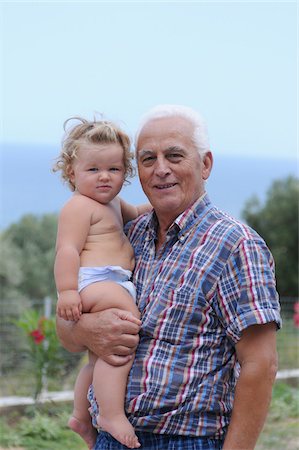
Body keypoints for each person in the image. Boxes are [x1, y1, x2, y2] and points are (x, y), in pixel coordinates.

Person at [56, 105, 281, 450]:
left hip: (187, 442)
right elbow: (67, 333)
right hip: (113, 439)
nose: (161, 169)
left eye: (174, 156)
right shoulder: (125, 235)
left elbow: (260, 365)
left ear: (205, 164)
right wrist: (86, 329)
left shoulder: (236, 245)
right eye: (148, 160)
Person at [53, 116, 152, 449]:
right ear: (72, 173)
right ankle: (110, 413)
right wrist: (66, 291)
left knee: (97, 359)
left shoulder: (111, 203)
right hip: (96, 282)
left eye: (114, 169)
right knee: (123, 330)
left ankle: (81, 414)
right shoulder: (78, 207)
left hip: (110, 279)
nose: (105, 177)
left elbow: (137, 213)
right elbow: (67, 250)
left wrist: (161, 205)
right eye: (93, 170)